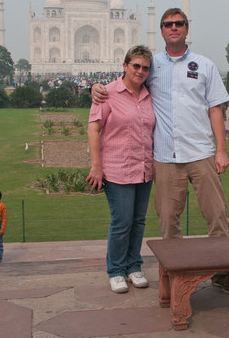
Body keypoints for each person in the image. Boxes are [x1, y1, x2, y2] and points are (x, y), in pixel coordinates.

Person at [91, 8, 229, 294]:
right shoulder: (152, 65)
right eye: (168, 24)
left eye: (179, 23)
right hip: (166, 157)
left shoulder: (204, 65)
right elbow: (123, 84)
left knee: (217, 215)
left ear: (187, 27)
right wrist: (96, 88)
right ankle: (176, 274)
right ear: (160, 30)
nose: (174, 28)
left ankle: (222, 272)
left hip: (201, 152)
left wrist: (221, 150)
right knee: (168, 221)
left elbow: (215, 110)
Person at [87, 45, 156, 293]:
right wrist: (96, 166)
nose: (140, 71)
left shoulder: (149, 94)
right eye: (136, 66)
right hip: (117, 169)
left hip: (144, 168)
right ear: (125, 66)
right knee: (122, 221)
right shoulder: (108, 93)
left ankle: (133, 266)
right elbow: (94, 129)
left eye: (145, 67)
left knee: (138, 221)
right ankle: (116, 270)